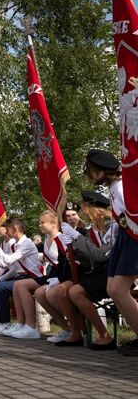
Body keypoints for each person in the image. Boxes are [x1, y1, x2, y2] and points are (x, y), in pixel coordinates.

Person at [84, 149, 138, 356]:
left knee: (118, 289)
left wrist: (121, 229)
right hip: (126, 238)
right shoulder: (116, 187)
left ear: (100, 171)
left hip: (133, 239)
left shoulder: (122, 187)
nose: (89, 176)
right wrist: (115, 230)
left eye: (90, 171)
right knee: (113, 289)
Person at [57, 192, 118, 349]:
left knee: (75, 292)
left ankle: (104, 335)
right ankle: (81, 333)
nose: (83, 213)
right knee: (69, 291)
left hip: (116, 272)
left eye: (85, 209)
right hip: (102, 272)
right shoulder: (95, 229)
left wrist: (77, 237)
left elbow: (99, 256)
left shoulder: (113, 226)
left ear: (93, 209)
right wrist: (74, 254)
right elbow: (91, 259)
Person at [8, 211, 69, 340]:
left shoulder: (61, 238)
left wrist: (58, 279)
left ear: (53, 223)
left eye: (42, 223)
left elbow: (66, 261)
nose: (39, 226)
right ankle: (65, 329)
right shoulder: (47, 239)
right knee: (21, 285)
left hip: (63, 274)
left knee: (40, 291)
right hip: (53, 274)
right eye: (39, 223)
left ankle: (73, 328)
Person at [0, 217, 41, 334]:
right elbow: (5, 264)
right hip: (21, 277)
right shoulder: (17, 245)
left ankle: (5, 323)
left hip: (30, 277)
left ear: (14, 229)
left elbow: (8, 260)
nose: (6, 232)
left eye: (7, 229)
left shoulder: (27, 243)